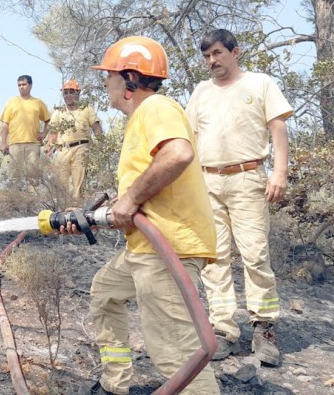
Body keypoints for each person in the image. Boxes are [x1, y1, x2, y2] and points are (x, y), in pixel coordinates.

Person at [64, 36, 219, 395]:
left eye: (109, 76)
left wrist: (130, 198)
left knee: (176, 353)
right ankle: (114, 384)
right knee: (105, 292)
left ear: (129, 79)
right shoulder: (138, 121)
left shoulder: (156, 108)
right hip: (147, 246)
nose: (105, 84)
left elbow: (178, 154)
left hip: (168, 246)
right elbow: (143, 191)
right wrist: (104, 210)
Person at [184, 28, 293, 367]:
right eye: (206, 56)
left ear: (235, 52)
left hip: (248, 178)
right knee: (214, 258)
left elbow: (278, 129)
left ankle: (263, 328)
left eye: (217, 53)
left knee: (255, 253)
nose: (211, 61)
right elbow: (190, 137)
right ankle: (222, 329)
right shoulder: (201, 92)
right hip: (207, 182)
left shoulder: (259, 84)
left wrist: (279, 172)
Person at [46, 79, 103, 200]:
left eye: (71, 92)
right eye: (65, 92)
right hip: (63, 149)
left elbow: (96, 127)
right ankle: (63, 207)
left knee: (79, 181)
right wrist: (49, 148)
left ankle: (77, 207)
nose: (68, 95)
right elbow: (53, 132)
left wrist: (101, 145)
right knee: (61, 182)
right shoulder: (58, 112)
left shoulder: (86, 109)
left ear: (78, 93)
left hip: (81, 148)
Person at [0, 75, 51, 184]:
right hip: (15, 144)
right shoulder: (11, 102)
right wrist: (3, 143)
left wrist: (44, 133)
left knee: (33, 175)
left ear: (30, 85)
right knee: (14, 176)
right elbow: (5, 124)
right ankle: (15, 200)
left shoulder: (38, 102)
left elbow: (48, 120)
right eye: (19, 85)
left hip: (33, 144)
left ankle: (34, 200)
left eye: (24, 84)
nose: (21, 87)